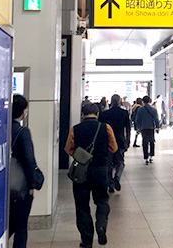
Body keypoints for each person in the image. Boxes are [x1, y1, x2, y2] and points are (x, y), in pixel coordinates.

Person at [65, 102, 118, 247]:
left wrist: (81, 155)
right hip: (100, 170)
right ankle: (101, 225)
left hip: (81, 172)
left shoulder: (75, 129)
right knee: (102, 200)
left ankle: (87, 240)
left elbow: (68, 149)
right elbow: (113, 148)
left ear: (82, 114)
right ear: (97, 114)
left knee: (82, 205)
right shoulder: (105, 127)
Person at [9, 94, 42, 248]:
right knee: (21, 226)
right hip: (19, 185)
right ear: (23, 111)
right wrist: (31, 185)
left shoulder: (1, 130)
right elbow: (29, 160)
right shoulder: (23, 132)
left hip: (4, 184)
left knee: (7, 223)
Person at [98, 94, 131, 193]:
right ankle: (117, 177)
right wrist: (127, 140)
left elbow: (101, 129)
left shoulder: (104, 114)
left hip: (107, 141)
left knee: (109, 163)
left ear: (111, 102)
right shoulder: (124, 113)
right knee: (120, 162)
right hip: (120, 141)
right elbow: (128, 129)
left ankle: (110, 184)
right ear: (119, 101)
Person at [134, 95, 160, 164]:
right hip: (151, 127)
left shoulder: (140, 109)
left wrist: (138, 127)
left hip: (143, 128)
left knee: (144, 142)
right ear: (149, 101)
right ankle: (151, 156)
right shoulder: (153, 109)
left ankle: (146, 157)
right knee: (152, 141)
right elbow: (156, 119)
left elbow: (137, 119)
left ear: (143, 101)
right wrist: (157, 127)